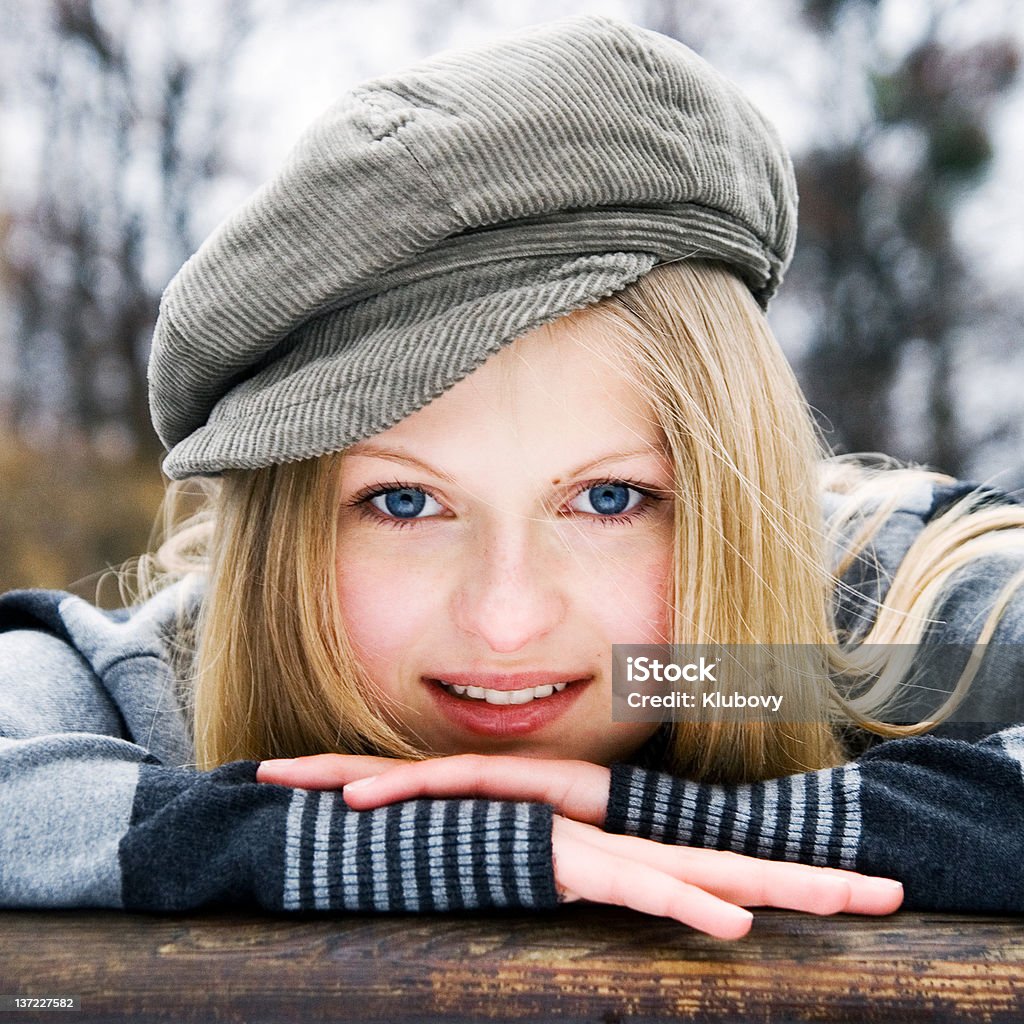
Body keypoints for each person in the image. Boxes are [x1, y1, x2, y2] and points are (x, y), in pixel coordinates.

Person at [2, 15, 1022, 939]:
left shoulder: (803, 649)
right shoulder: (174, 678)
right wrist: (397, 843)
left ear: (727, 485)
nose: (504, 620)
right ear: (290, 525)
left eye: (608, 498)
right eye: (403, 503)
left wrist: (660, 816)